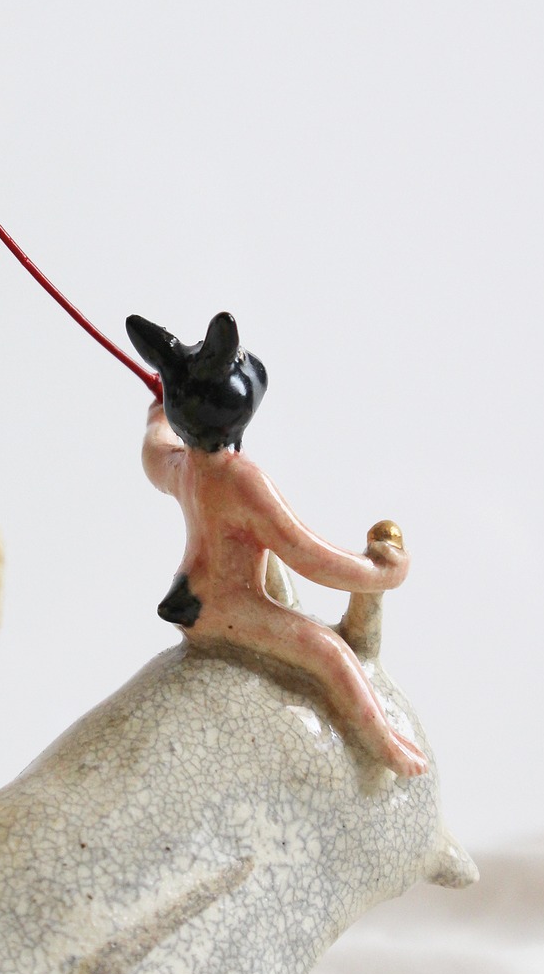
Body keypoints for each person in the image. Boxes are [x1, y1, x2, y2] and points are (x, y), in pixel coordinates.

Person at [127, 313, 428, 779]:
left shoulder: (183, 466)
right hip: (228, 603)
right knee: (329, 651)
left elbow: (152, 451)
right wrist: (382, 574)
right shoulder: (243, 483)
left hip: (191, 592)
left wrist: (157, 412)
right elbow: (311, 557)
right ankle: (384, 745)